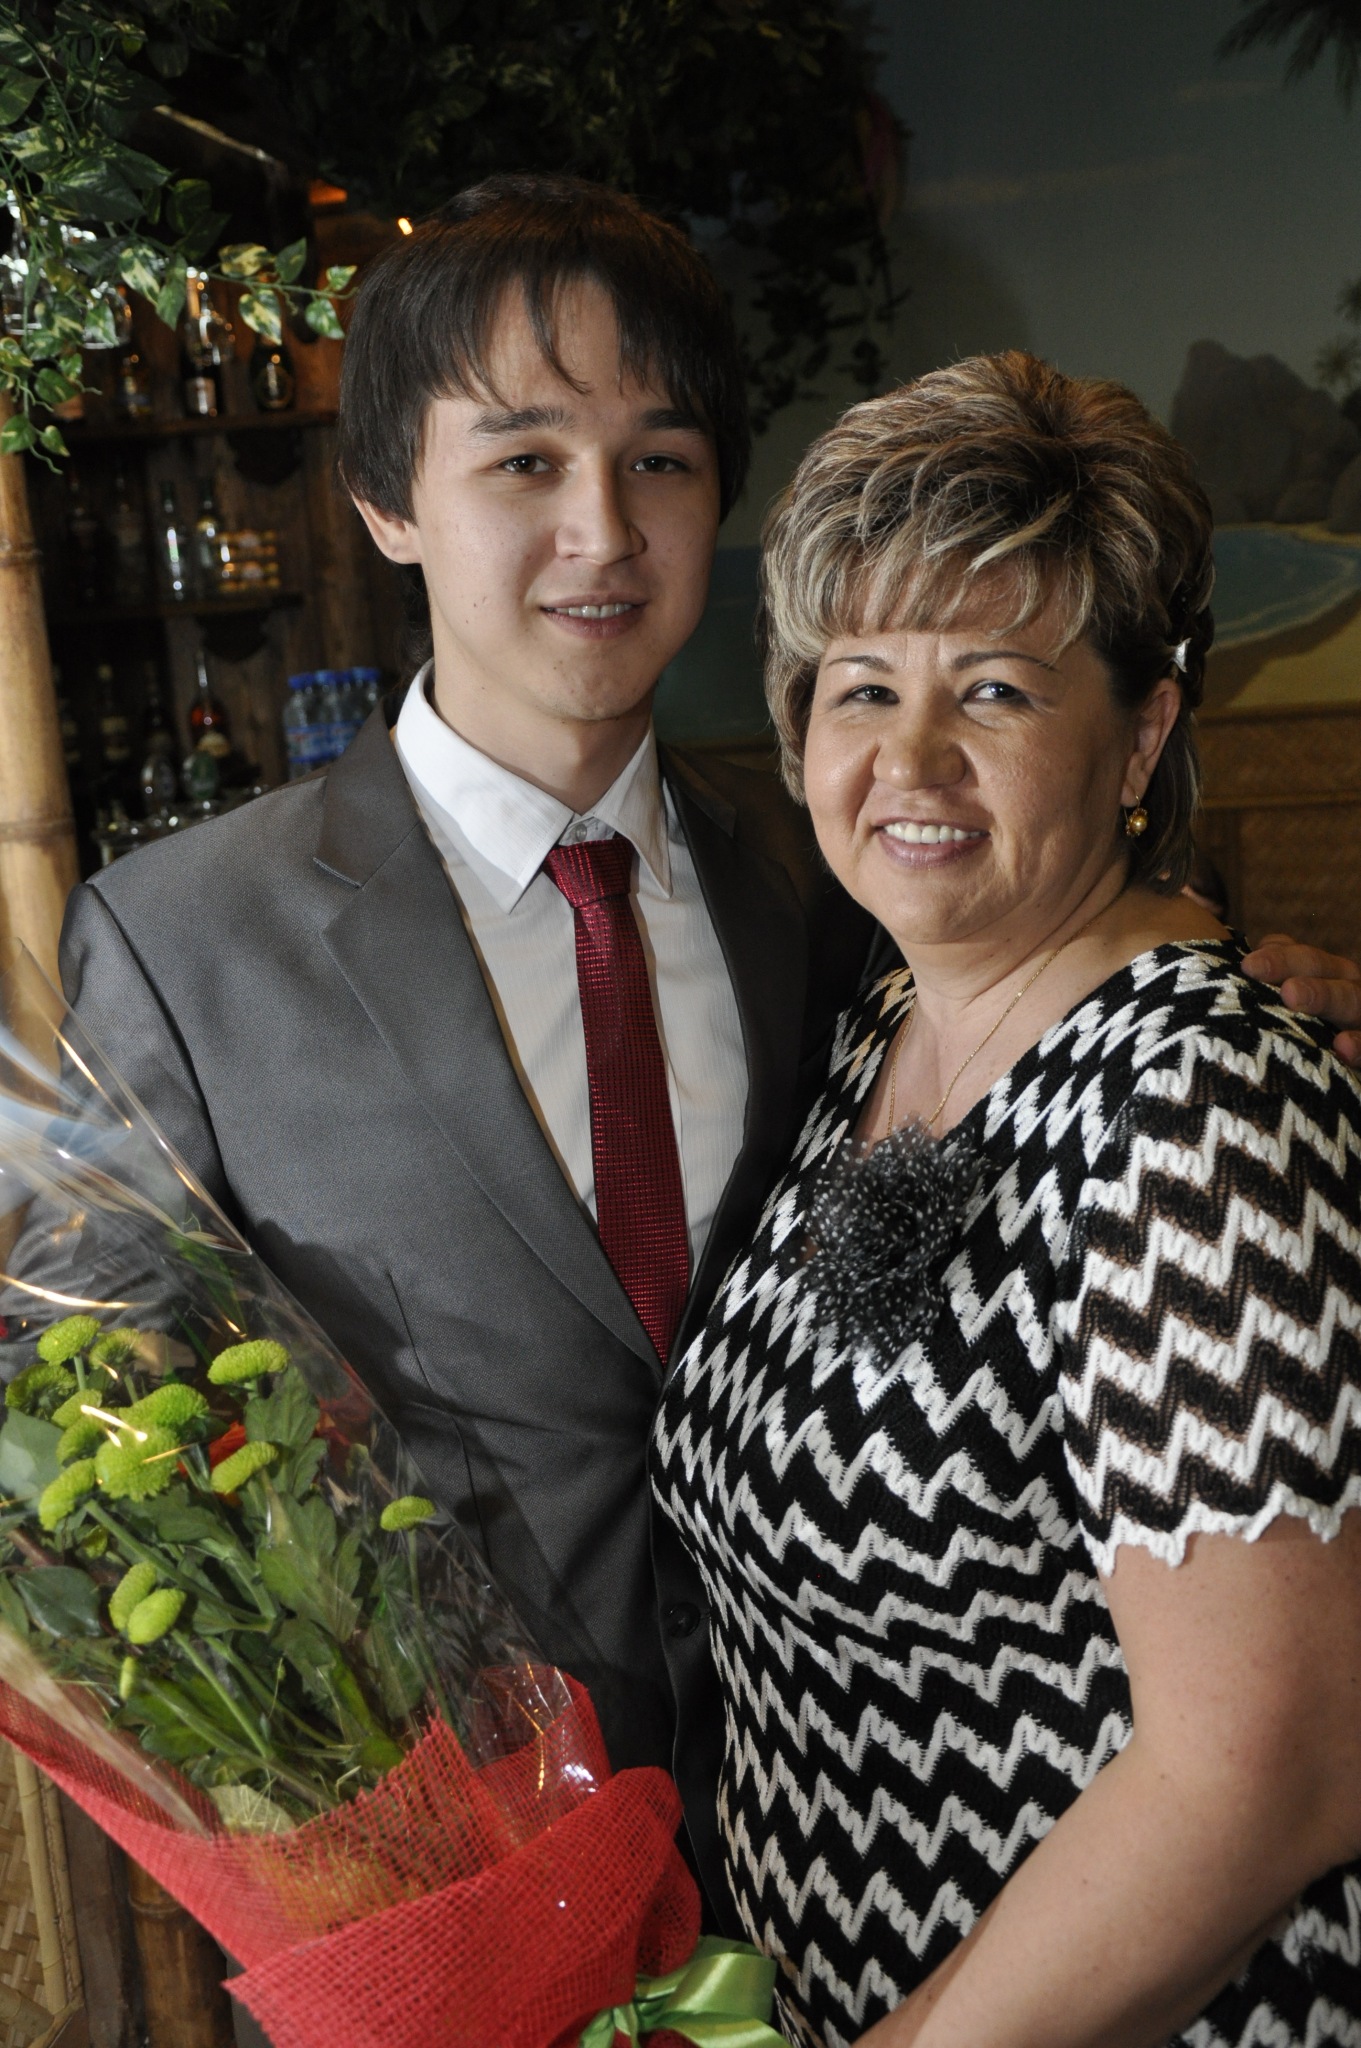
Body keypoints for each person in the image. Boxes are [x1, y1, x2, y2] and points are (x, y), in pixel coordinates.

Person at [23, 179, 1361, 1886]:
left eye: (656, 460)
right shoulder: (183, 938)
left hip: (902, 1858)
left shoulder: (837, 885)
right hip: (447, 1889)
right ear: (384, 501)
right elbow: (91, 1457)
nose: (602, 531)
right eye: (524, 461)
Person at [652, 351, 1361, 2048]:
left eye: (991, 691)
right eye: (859, 687)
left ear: (1140, 736)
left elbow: (1269, 1773)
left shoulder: (1194, 1104)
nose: (909, 758)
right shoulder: (885, 1023)